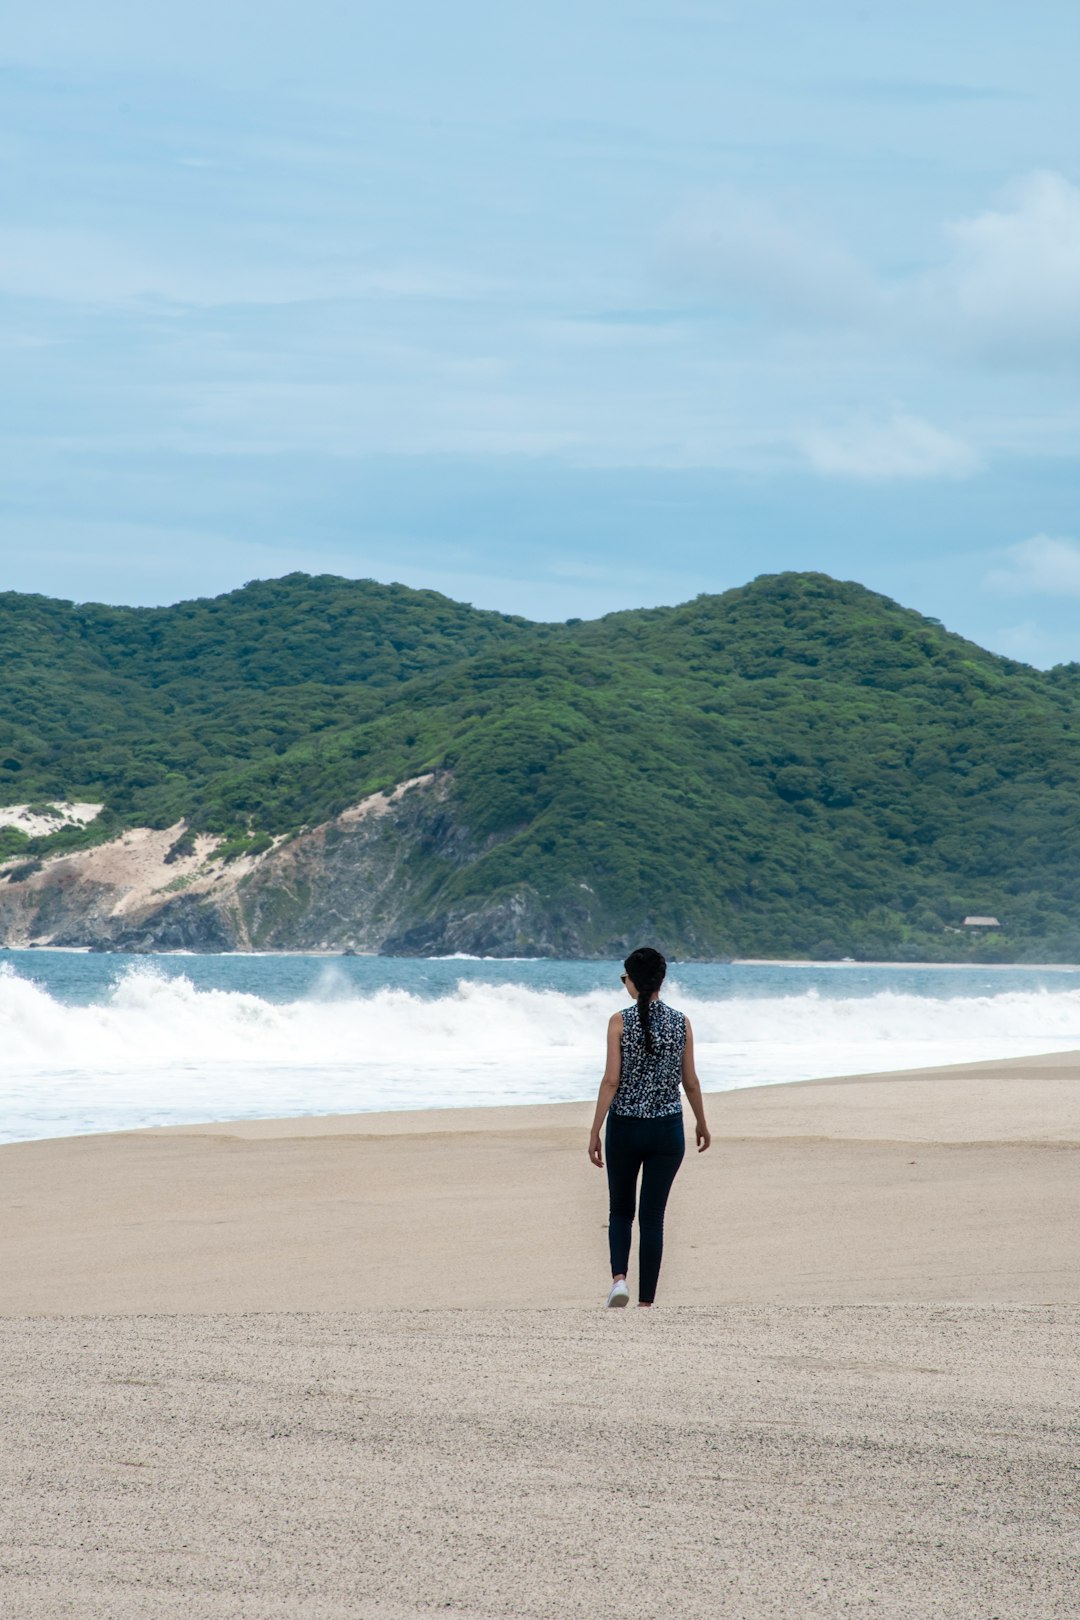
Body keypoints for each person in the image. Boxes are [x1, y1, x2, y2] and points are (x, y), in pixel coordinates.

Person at [588, 946, 711, 1308]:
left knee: (621, 1211)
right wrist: (702, 1122)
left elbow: (611, 1081)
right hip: (667, 1131)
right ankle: (646, 1303)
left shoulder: (618, 1021)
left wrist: (595, 1129)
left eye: (625, 978)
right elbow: (690, 1082)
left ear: (632, 981)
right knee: (653, 1218)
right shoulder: (681, 1022)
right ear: (661, 981)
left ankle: (619, 1281)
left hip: (625, 1128)